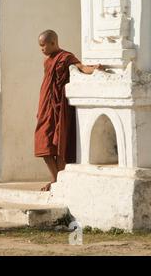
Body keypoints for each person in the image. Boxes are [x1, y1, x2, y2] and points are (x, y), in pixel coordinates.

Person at [34, 30, 102, 191]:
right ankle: (57, 179)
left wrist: (95, 69)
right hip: (46, 107)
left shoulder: (66, 57)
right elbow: (46, 84)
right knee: (43, 143)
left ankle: (58, 182)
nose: (42, 49)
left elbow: (81, 67)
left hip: (61, 106)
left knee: (60, 144)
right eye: (40, 46)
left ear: (53, 42)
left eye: (43, 45)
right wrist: (41, 107)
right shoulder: (47, 61)